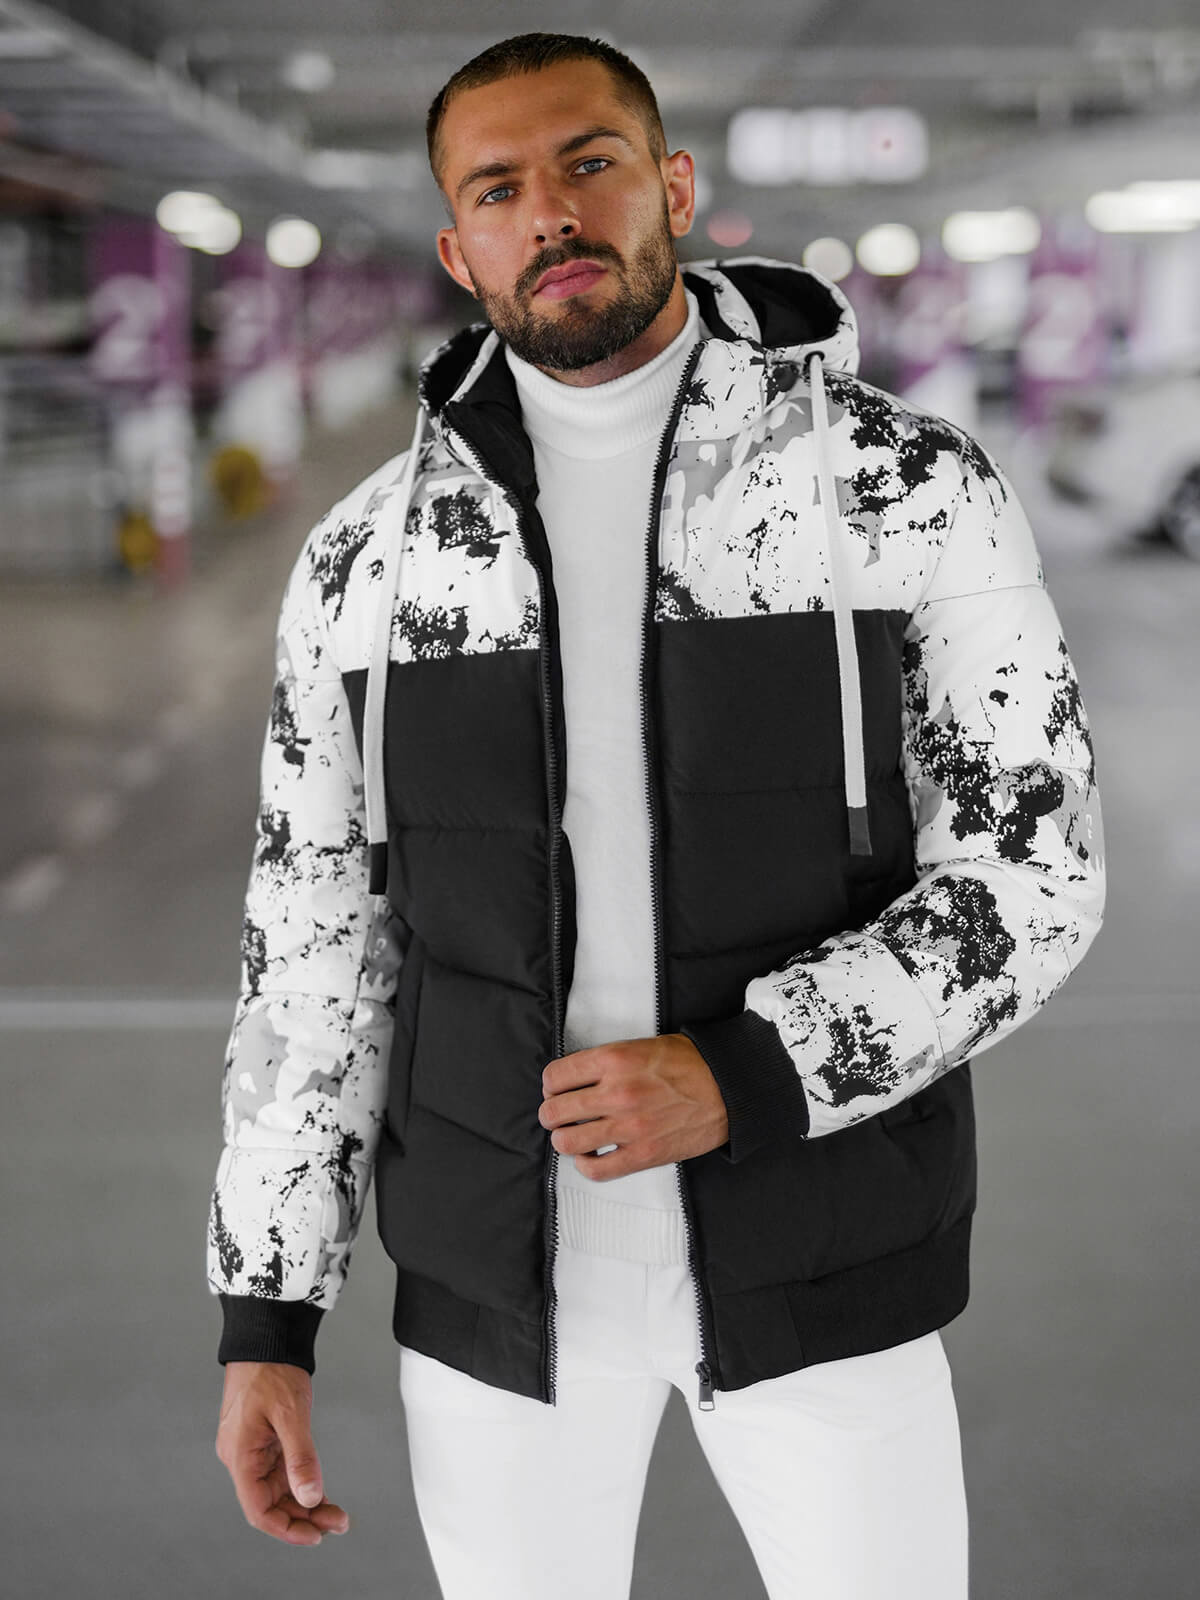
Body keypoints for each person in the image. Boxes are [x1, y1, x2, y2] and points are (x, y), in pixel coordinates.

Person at [208, 31, 1106, 1600]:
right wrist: (266, 1316)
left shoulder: (899, 486)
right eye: (498, 190)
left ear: (673, 188)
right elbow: (313, 955)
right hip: (500, 1301)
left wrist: (751, 1073)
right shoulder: (369, 567)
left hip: (826, 1255)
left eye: (590, 163)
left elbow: (1036, 870)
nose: (550, 213)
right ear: (458, 250)